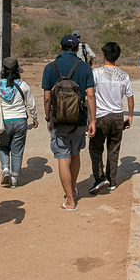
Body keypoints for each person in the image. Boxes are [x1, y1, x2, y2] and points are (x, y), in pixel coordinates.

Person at [42, 34, 96, 211]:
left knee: (62, 157)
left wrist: (48, 118)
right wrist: (92, 120)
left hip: (59, 120)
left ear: (60, 47)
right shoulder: (85, 67)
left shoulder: (50, 68)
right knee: (75, 155)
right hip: (79, 119)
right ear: (77, 48)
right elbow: (90, 96)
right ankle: (72, 188)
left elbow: (47, 98)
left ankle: (70, 200)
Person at [89, 42, 134, 194]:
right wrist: (130, 116)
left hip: (101, 116)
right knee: (113, 149)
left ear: (104, 56)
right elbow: (130, 98)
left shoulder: (96, 73)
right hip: (117, 117)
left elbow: (90, 95)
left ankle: (99, 177)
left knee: (96, 148)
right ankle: (112, 180)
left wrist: (91, 118)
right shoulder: (124, 76)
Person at [0, 56, 38, 188]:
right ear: (17, 70)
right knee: (17, 150)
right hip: (20, 121)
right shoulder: (23, 85)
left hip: (4, 122)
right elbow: (31, 104)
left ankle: (5, 169)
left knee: (4, 147)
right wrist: (34, 118)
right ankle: (15, 178)